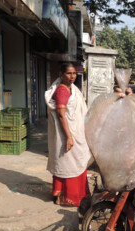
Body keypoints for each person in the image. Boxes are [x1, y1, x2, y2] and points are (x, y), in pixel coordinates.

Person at [45, 63, 91, 207]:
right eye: (69, 73)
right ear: (61, 74)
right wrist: (69, 137)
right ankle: (65, 196)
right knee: (67, 165)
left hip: (76, 133)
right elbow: (60, 115)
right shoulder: (62, 91)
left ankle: (70, 194)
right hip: (66, 134)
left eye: (74, 73)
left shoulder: (73, 89)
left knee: (76, 163)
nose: (72, 76)